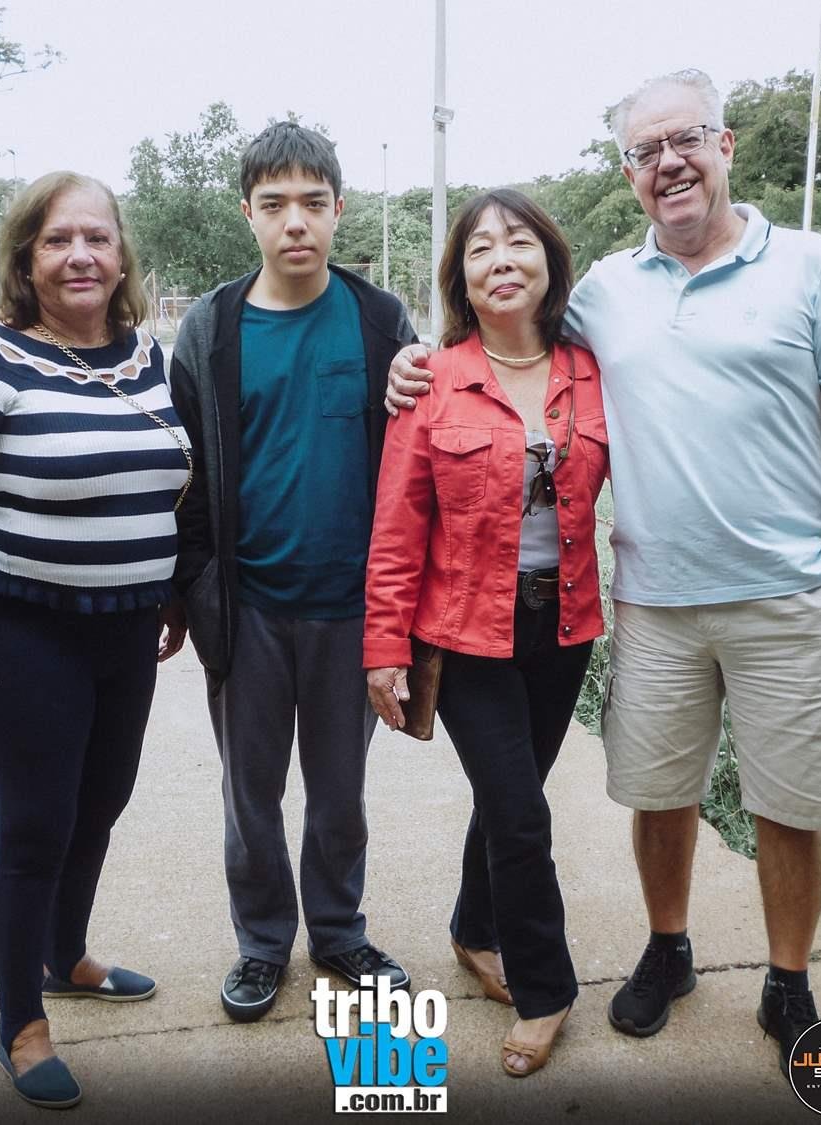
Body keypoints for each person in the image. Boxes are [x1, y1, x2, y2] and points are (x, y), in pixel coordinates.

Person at [386, 69, 821, 1075]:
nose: (670, 163)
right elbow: (497, 347)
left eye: (686, 139)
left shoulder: (813, 266)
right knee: (657, 794)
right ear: (628, 173)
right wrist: (416, 362)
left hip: (781, 592)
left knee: (789, 803)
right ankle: (666, 951)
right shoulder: (606, 295)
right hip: (650, 600)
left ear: (725, 144)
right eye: (646, 151)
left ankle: (789, 980)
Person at [0, 171, 192, 1109]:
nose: (80, 256)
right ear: (26, 258)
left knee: (99, 804)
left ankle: (67, 956)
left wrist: (169, 588)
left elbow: (171, 485)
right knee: (34, 827)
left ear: (122, 256)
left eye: (97, 238)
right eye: (58, 240)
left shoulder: (147, 356)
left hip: (127, 630)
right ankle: (21, 1023)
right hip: (23, 629)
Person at [169, 122, 417, 1023]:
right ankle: (263, 942)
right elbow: (185, 473)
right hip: (249, 610)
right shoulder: (211, 327)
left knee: (341, 793)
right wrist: (188, 590)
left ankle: (340, 932)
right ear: (248, 213)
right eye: (274, 204)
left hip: (352, 610)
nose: (295, 222)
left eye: (313, 203)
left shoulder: (380, 319)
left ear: (339, 208)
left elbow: (412, 466)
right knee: (252, 793)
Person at [364, 190, 609, 1077]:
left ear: (549, 262)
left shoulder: (593, 369)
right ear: (462, 279)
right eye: (480, 249)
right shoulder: (432, 381)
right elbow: (397, 527)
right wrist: (384, 649)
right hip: (466, 631)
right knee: (519, 812)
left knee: (513, 798)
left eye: (518, 242)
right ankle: (547, 989)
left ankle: (473, 927)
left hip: (565, 624)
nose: (501, 259)